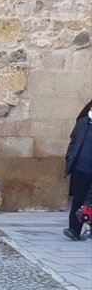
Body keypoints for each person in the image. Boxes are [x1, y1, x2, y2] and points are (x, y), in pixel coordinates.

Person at [63, 99, 92, 240]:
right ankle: (74, 230)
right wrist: (70, 157)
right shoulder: (83, 122)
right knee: (78, 199)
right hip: (81, 167)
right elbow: (73, 140)